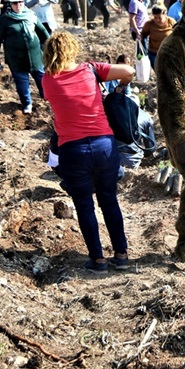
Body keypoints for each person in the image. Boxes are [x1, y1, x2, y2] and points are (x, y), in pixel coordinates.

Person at [41, 31, 135, 274]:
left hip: (73, 149)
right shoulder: (90, 70)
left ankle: (98, 260)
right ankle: (122, 255)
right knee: (109, 200)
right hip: (105, 144)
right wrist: (119, 90)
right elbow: (129, 72)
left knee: (84, 205)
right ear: (73, 49)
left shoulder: (48, 80)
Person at [0, 0, 50, 114]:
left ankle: (46, 99)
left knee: (41, 78)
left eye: (20, 2)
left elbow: (43, 32)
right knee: (22, 81)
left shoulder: (30, 15)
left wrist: (50, 45)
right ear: (9, 4)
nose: (18, 5)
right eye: (15, 3)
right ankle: (27, 103)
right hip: (16, 57)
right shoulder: (5, 20)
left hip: (35, 56)